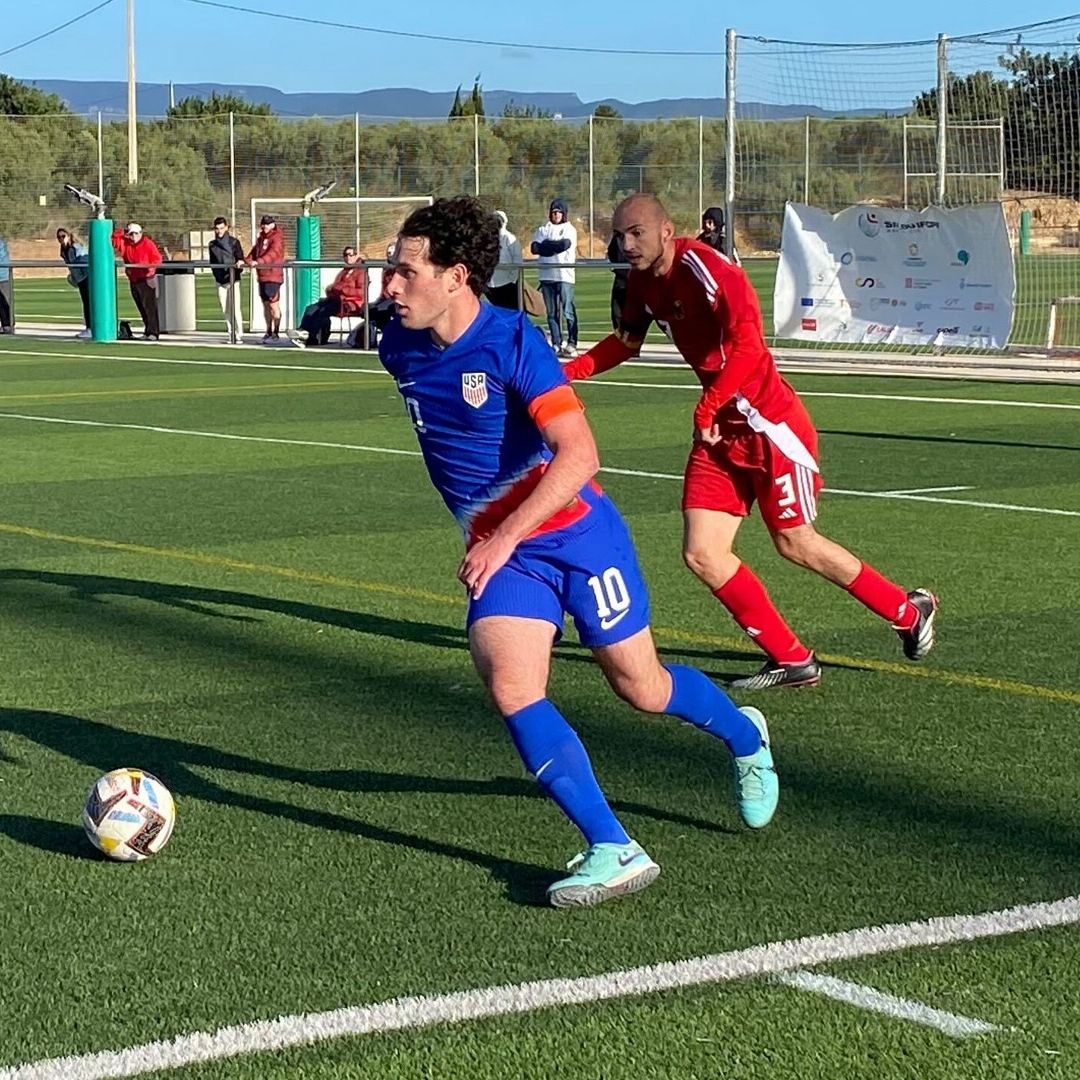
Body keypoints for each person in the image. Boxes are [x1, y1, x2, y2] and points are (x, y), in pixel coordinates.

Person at [379, 196, 778, 908]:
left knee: (643, 689)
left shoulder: (514, 343)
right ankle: (612, 846)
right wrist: (499, 541)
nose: (391, 285)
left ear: (456, 276)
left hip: (578, 538)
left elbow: (580, 455)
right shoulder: (397, 345)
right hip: (509, 558)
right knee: (513, 688)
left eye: (407, 271)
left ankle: (744, 735)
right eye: (391, 269)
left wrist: (503, 534)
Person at [564, 194, 939, 690]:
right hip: (720, 434)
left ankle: (908, 612)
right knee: (702, 553)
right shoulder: (640, 282)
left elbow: (748, 345)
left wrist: (709, 405)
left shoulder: (710, 270)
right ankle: (793, 659)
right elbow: (626, 343)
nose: (626, 244)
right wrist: (565, 374)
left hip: (769, 427)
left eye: (636, 233)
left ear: (666, 231)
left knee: (795, 542)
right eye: (619, 235)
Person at [531, 197, 578, 357]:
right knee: (552, 313)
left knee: (568, 311)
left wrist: (546, 246)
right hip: (546, 275)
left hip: (564, 275)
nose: (556, 214)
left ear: (564, 214)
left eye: (559, 212)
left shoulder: (569, 229)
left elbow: (563, 245)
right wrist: (549, 247)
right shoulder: (543, 229)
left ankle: (572, 342)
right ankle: (557, 343)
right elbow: (535, 248)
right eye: (554, 212)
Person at [298, 245, 368, 347]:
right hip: (336, 299)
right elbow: (335, 286)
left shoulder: (361, 272)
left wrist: (343, 289)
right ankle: (302, 332)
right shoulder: (343, 272)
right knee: (311, 308)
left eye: (350, 255)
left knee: (323, 311)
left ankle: (311, 337)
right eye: (345, 255)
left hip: (349, 303)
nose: (348, 257)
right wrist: (330, 290)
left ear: (356, 256)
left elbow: (362, 292)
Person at [111, 223, 162, 340]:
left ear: (141, 233)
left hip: (146, 279)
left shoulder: (148, 244)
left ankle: (153, 333)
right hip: (134, 279)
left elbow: (157, 259)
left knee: (149, 307)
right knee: (141, 307)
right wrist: (123, 231)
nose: (134, 236)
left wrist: (149, 269)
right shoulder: (126, 243)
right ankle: (147, 331)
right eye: (131, 234)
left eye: (136, 233)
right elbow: (114, 239)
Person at [241, 214, 285, 344]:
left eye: (267, 224)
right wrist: (246, 260)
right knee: (266, 305)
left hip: (273, 276)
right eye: (263, 224)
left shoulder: (277, 238)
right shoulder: (261, 239)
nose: (265, 226)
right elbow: (253, 253)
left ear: (273, 225)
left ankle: (276, 333)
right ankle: (268, 331)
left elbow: (273, 254)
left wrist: (259, 262)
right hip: (262, 277)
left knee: (273, 305)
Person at [208, 217, 245, 344]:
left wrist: (239, 263)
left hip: (233, 279)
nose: (219, 231)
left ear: (227, 228)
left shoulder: (234, 242)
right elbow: (213, 262)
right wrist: (217, 275)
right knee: (225, 309)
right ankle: (231, 333)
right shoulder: (212, 245)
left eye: (222, 228)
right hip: (220, 281)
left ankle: (239, 334)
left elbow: (240, 257)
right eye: (217, 229)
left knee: (235, 308)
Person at [57, 229, 91, 339]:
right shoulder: (63, 250)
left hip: (86, 277)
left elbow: (84, 260)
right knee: (86, 303)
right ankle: (89, 327)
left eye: (63, 236)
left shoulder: (76, 247)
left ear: (68, 236)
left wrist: (84, 275)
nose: (61, 239)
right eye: (59, 237)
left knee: (88, 303)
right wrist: (73, 277)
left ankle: (90, 328)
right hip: (80, 279)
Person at [486, 210, 522, 310]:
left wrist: (512, 279)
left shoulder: (509, 238)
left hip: (507, 283)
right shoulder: (487, 239)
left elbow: (517, 259)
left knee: (511, 311)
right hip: (490, 284)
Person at [607, 231, 629, 330]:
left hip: (635, 278)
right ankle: (620, 335)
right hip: (621, 279)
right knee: (617, 312)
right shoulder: (617, 237)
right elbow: (611, 252)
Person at [0, 234, 12, 333]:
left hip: (2, 275)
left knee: (5, 302)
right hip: (3, 274)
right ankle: (5, 324)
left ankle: (7, 324)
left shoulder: (1, 243)